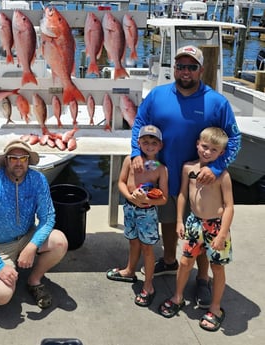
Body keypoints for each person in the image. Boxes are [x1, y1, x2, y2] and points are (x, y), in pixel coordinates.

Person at [131, 45, 241, 309]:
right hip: (165, 173)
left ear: (201, 70)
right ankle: (169, 260)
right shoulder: (157, 95)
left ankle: (202, 278)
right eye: (181, 66)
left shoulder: (216, 101)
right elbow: (139, 123)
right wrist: (136, 152)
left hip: (199, 181)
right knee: (170, 221)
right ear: (174, 68)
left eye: (192, 66)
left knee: (203, 226)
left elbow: (234, 138)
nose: (185, 71)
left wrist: (216, 168)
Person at [0, 140, 68, 309]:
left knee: (60, 241)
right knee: (2, 297)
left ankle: (34, 280)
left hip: (26, 236)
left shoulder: (38, 179)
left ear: (28, 161)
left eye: (23, 158)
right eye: (13, 158)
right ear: (6, 161)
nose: (18, 163)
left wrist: (32, 246)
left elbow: (48, 217)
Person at [158, 127, 234, 332]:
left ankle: (216, 307)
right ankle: (178, 296)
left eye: (214, 149)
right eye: (205, 146)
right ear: (197, 145)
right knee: (184, 262)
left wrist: (222, 233)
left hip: (216, 226)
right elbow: (183, 194)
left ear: (221, 153)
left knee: (217, 267)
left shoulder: (223, 175)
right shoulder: (187, 168)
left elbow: (229, 207)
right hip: (193, 222)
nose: (207, 152)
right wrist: (179, 221)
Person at [107, 125, 168, 307]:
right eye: (145, 141)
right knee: (133, 241)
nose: (149, 146)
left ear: (160, 146)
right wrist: (130, 196)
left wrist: (147, 200)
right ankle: (129, 270)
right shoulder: (130, 160)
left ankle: (148, 285)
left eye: (154, 142)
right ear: (138, 142)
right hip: (130, 209)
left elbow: (164, 198)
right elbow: (121, 182)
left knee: (147, 248)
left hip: (147, 213)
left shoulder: (161, 169)